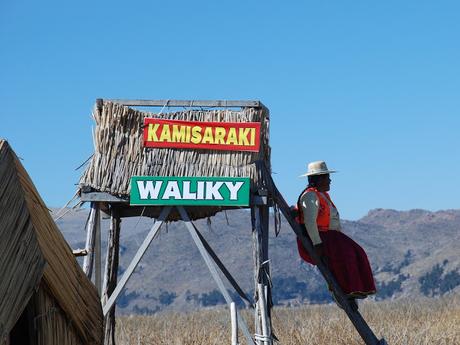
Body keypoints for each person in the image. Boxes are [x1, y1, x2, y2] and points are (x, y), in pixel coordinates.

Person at [295, 160, 376, 303]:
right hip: (322, 238)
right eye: (327, 177)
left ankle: (354, 289)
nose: (330, 180)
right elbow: (310, 222)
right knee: (346, 255)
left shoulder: (322, 195)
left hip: (330, 236)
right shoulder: (310, 196)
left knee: (357, 252)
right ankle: (344, 289)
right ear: (319, 179)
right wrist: (317, 243)